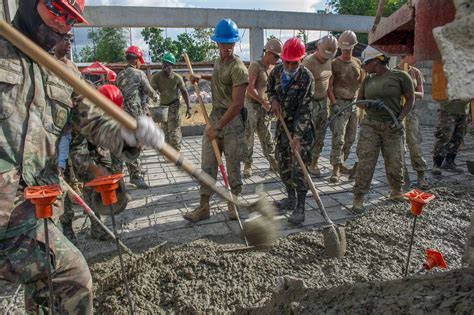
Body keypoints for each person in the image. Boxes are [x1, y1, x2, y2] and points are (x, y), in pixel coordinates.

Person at [0, 0, 163, 313]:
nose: (63, 24)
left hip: (34, 216)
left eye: (71, 19)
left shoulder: (65, 72)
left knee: (57, 289)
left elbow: (94, 122)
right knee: (67, 281)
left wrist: (130, 134)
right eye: (57, 11)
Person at [183, 19, 248, 223]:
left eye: (230, 43)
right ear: (217, 43)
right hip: (216, 117)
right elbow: (220, 77)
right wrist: (202, 77)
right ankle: (204, 206)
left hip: (232, 121)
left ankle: (233, 203)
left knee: (232, 163)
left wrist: (218, 127)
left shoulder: (239, 68)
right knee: (208, 163)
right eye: (223, 43)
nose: (227, 47)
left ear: (235, 43)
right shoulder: (219, 61)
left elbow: (237, 104)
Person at [352, 46, 415, 213]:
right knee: (366, 161)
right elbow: (359, 101)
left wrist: (400, 119)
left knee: (395, 161)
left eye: (366, 63)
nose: (364, 67)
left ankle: (396, 191)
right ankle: (358, 196)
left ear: (376, 61)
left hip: (392, 126)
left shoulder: (400, 76)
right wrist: (367, 103)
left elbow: (410, 99)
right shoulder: (368, 80)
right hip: (370, 125)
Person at [268, 37, 315, 225]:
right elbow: (270, 89)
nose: (288, 66)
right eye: (286, 61)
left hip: (301, 132)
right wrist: (273, 100)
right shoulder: (277, 72)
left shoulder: (306, 77)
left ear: (301, 60)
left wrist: (297, 136)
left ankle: (301, 206)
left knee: (299, 170)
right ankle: (290, 198)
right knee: (284, 165)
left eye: (293, 62)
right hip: (282, 128)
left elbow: (305, 108)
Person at [116, 45, 159, 189]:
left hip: (120, 113)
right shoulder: (139, 74)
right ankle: (135, 176)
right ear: (136, 60)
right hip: (134, 114)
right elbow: (149, 90)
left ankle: (133, 170)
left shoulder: (120, 75)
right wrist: (156, 97)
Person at [327, 30, 364, 183]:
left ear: (354, 47)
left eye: (349, 49)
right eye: (344, 49)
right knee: (338, 137)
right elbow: (329, 86)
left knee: (351, 138)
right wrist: (334, 103)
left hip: (353, 104)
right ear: (340, 48)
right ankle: (335, 169)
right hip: (340, 103)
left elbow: (361, 81)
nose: (347, 51)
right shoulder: (334, 64)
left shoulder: (357, 62)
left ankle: (341, 162)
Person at [243, 38, 282, 178]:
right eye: (276, 56)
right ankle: (247, 164)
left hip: (264, 106)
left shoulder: (272, 68)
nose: (277, 59)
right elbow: (249, 88)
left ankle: (272, 161)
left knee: (266, 135)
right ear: (268, 52)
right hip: (252, 105)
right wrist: (261, 101)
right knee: (249, 135)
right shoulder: (256, 65)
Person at [303, 35, 338, 176]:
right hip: (309, 103)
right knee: (307, 136)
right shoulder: (308, 63)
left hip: (323, 102)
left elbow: (329, 83)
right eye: (323, 55)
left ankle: (314, 162)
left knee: (320, 135)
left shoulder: (330, 61)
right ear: (317, 48)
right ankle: (303, 164)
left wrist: (333, 102)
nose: (325, 58)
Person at [395, 55, 429, 187]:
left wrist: (409, 93)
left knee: (415, 143)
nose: (417, 58)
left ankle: (421, 175)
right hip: (398, 113)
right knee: (399, 146)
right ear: (406, 55)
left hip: (411, 113)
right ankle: (402, 176)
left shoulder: (416, 72)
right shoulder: (394, 72)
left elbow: (421, 94)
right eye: (414, 55)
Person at [150, 52, 191, 151]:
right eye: (164, 64)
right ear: (162, 64)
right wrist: (149, 102)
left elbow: (184, 92)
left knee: (174, 130)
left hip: (174, 105)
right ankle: (168, 151)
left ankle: (176, 151)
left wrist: (189, 107)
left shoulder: (177, 78)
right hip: (163, 107)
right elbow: (151, 91)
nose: (166, 67)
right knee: (164, 131)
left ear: (172, 66)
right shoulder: (156, 77)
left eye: (168, 64)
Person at [432, 100, 471, 175]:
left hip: (464, 111)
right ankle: (437, 164)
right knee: (444, 137)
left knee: (458, 138)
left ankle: (449, 162)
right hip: (448, 110)